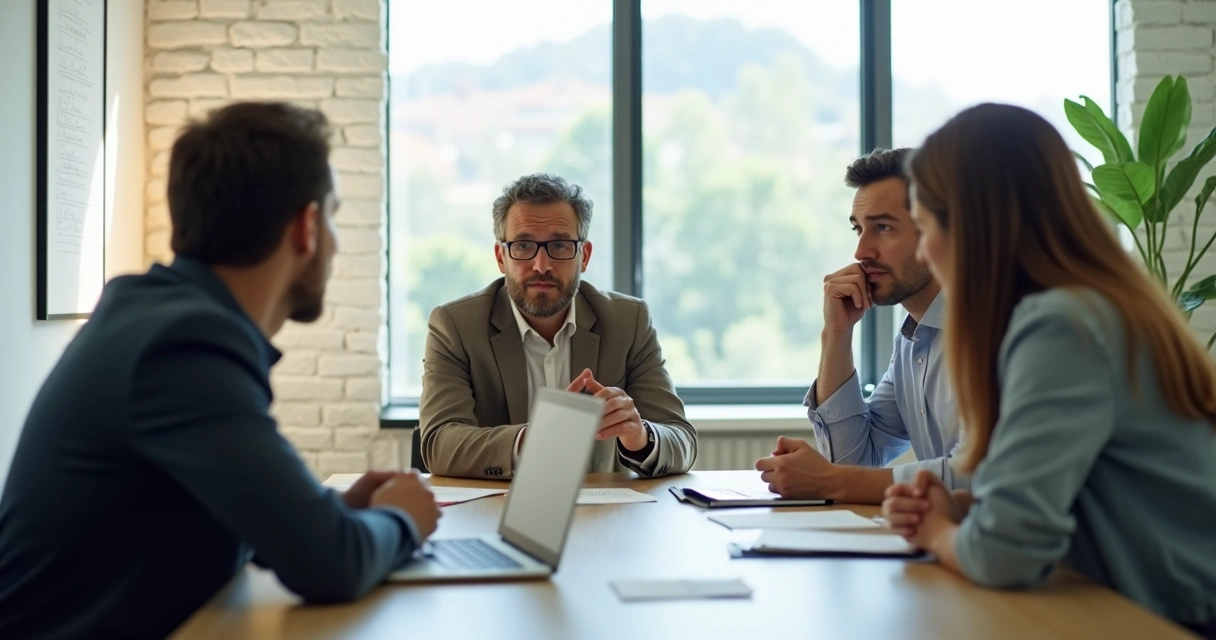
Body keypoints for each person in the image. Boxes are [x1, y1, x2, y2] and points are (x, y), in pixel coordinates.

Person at [0, 102, 442, 639]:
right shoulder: (183, 347)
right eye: (333, 214)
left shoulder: (150, 315)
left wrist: (331, 509)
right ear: (305, 226)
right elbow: (332, 565)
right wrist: (402, 520)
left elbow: (221, 508)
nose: (337, 240)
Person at [882, 103, 1216, 636]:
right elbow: (1076, 495)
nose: (924, 251)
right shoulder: (1095, 304)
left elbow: (1006, 555)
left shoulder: (1061, 325)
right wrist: (964, 507)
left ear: (971, 226)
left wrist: (939, 533)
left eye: (924, 228)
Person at [420, 173, 697, 479]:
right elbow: (439, 444)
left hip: (599, 514)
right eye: (524, 246)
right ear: (501, 257)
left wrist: (640, 437)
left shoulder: (627, 321)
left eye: (560, 245)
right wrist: (532, 440)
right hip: (494, 509)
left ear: (584, 256)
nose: (541, 265)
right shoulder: (456, 326)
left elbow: (681, 440)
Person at [755, 148, 964, 504]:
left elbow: (976, 477)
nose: (861, 251)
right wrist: (836, 334)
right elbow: (854, 461)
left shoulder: (998, 330)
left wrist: (827, 481)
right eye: (858, 229)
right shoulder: (913, 340)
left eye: (883, 228)